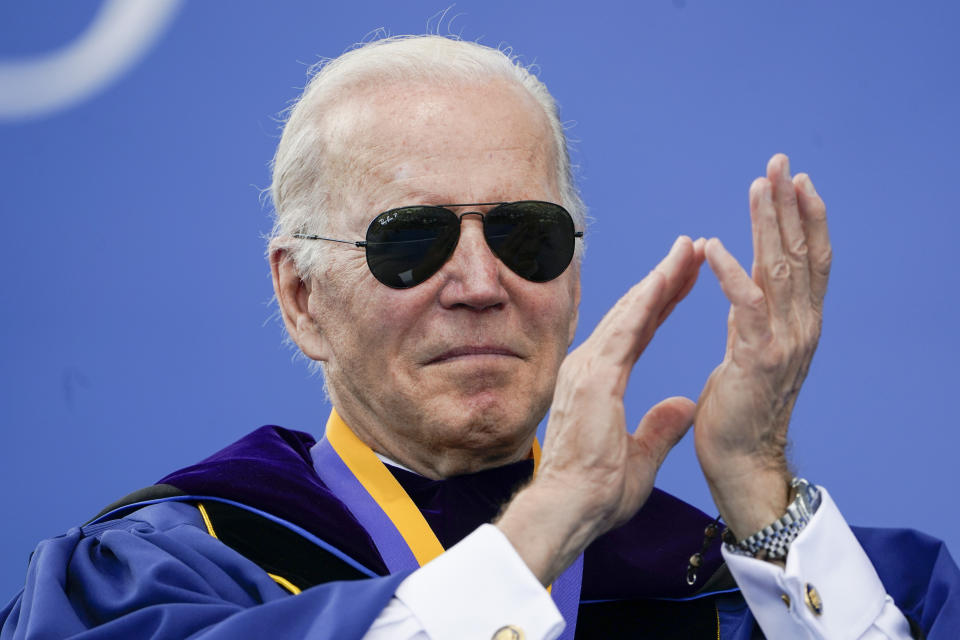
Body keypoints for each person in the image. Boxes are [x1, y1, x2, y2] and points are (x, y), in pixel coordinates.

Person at [1, 35, 956, 640]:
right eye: (410, 241)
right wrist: (547, 524)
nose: (479, 284)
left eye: (524, 235)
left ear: (573, 278)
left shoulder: (730, 579)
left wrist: (757, 487)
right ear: (301, 296)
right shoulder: (166, 578)